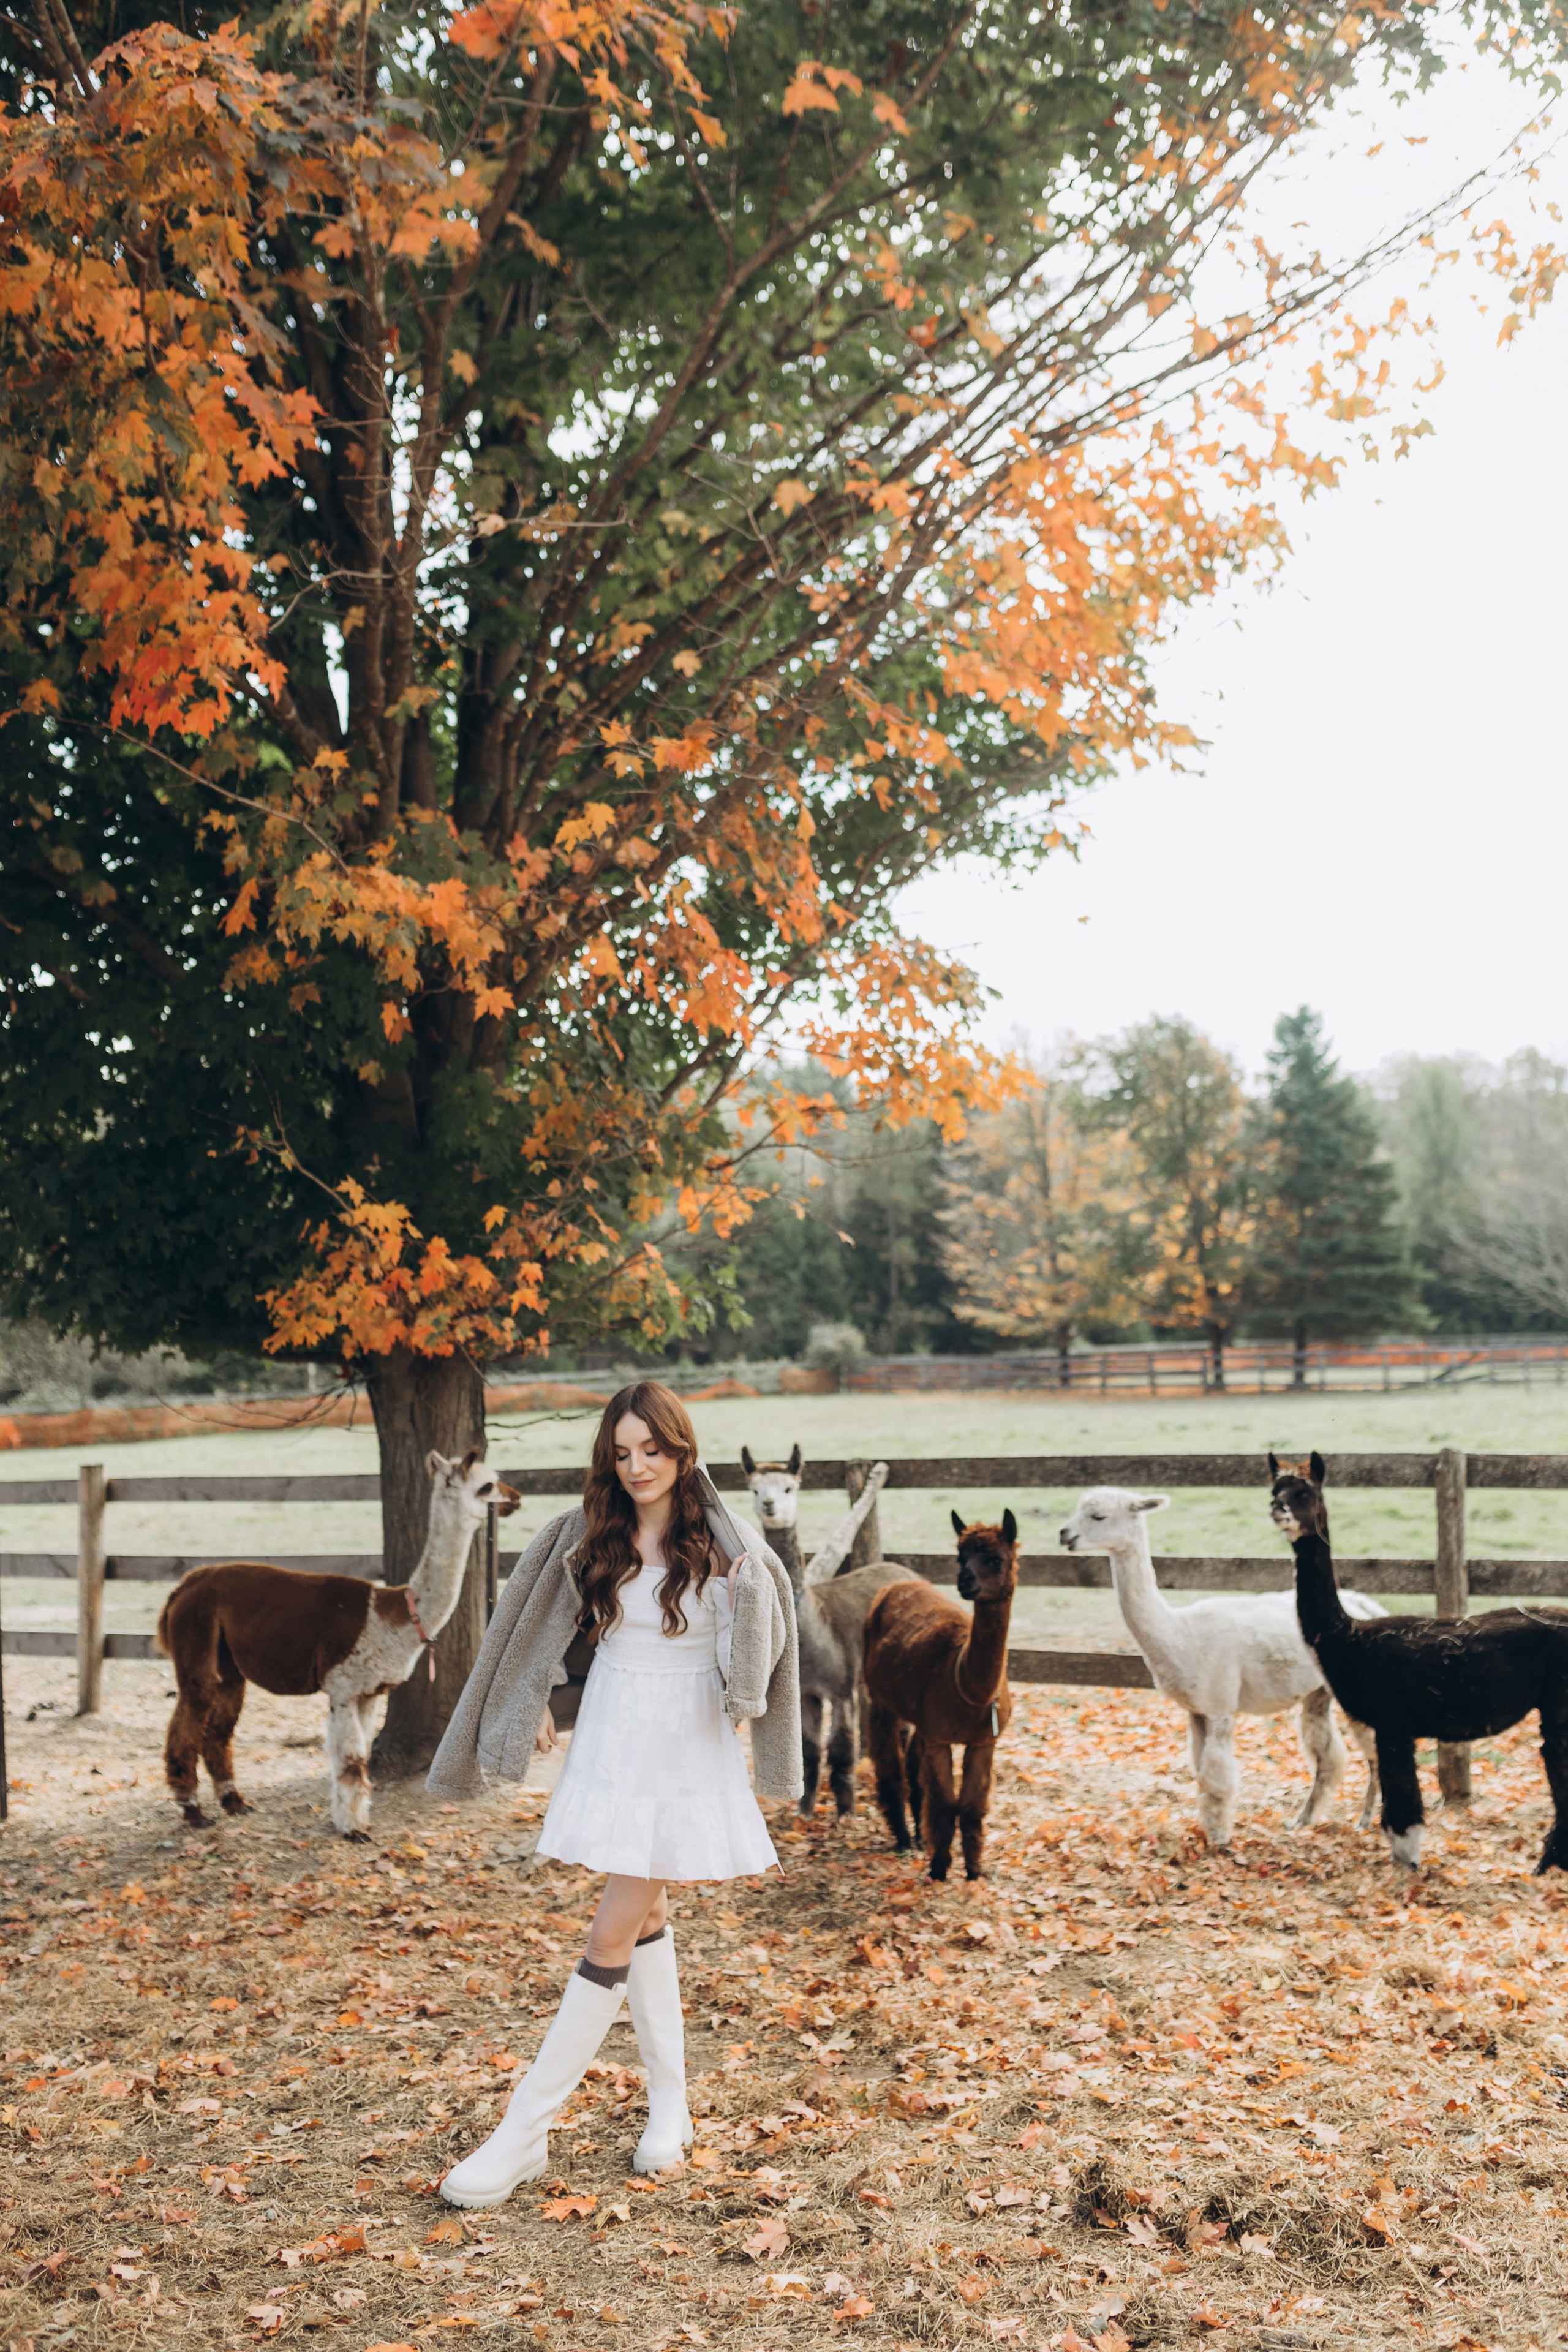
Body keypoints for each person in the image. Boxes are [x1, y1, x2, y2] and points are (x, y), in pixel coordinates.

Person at [426, 1380, 802, 2209]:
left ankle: (524, 2131)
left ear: (682, 1449)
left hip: (686, 1742)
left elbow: (771, 1643)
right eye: (623, 1453)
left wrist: (748, 1693)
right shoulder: (590, 1534)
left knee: (611, 1929)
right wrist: (536, 1706)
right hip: (614, 1730)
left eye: (653, 1451)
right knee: (647, 1916)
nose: (637, 1467)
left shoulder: (731, 1544)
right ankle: (671, 2102)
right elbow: (532, 1629)